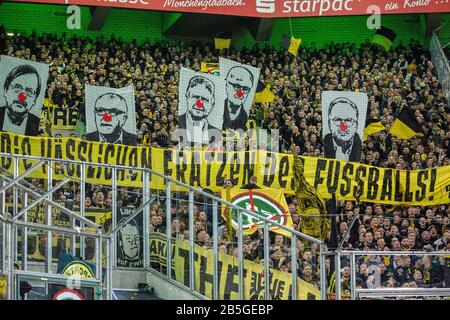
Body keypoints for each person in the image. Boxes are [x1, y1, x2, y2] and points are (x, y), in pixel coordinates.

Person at [0, 64, 42, 135]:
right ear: (6, 90)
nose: (22, 96)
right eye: (17, 87)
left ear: (34, 100)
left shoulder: (36, 125)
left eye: (29, 91)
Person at [178, 75, 221, 145]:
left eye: (205, 99)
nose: (199, 103)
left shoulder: (217, 133)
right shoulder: (177, 123)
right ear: (187, 98)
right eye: (195, 97)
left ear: (212, 105)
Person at [323, 97, 362, 162]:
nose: (343, 127)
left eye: (349, 120)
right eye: (338, 120)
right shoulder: (324, 143)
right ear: (329, 124)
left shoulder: (359, 146)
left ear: (356, 126)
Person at [222, 66, 254, 131]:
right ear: (226, 85)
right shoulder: (217, 110)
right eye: (236, 86)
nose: (240, 93)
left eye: (245, 89)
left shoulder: (247, 117)